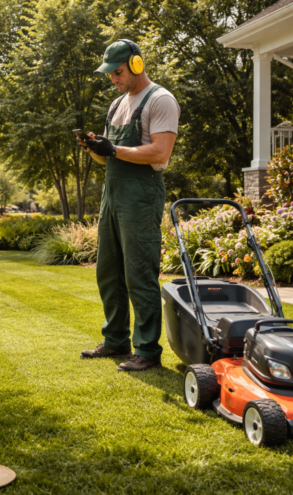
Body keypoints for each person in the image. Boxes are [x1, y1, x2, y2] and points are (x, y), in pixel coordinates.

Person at [78, 39, 179, 372]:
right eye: (110, 74)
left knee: (139, 272)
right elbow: (108, 155)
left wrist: (114, 150)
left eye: (118, 72)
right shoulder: (117, 104)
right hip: (112, 194)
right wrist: (93, 146)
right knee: (108, 272)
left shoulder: (161, 100)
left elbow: (160, 152)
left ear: (136, 64)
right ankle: (116, 340)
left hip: (141, 195)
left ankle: (147, 349)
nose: (114, 79)